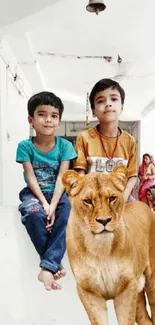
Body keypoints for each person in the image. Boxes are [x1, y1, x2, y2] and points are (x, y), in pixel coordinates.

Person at [16, 91, 77, 291]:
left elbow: (62, 177)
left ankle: (47, 267)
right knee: (32, 213)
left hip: (59, 193)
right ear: (31, 120)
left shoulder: (65, 146)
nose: (48, 120)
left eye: (54, 115)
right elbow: (31, 176)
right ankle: (51, 265)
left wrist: (53, 205)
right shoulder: (25, 146)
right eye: (42, 114)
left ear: (59, 121)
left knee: (67, 214)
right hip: (34, 193)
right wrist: (44, 203)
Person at [74, 78, 137, 202]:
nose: (108, 104)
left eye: (114, 99)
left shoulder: (129, 141)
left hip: (121, 196)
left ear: (122, 106)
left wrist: (122, 198)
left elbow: (132, 176)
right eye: (101, 101)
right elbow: (80, 172)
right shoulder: (84, 138)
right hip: (93, 197)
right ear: (93, 111)